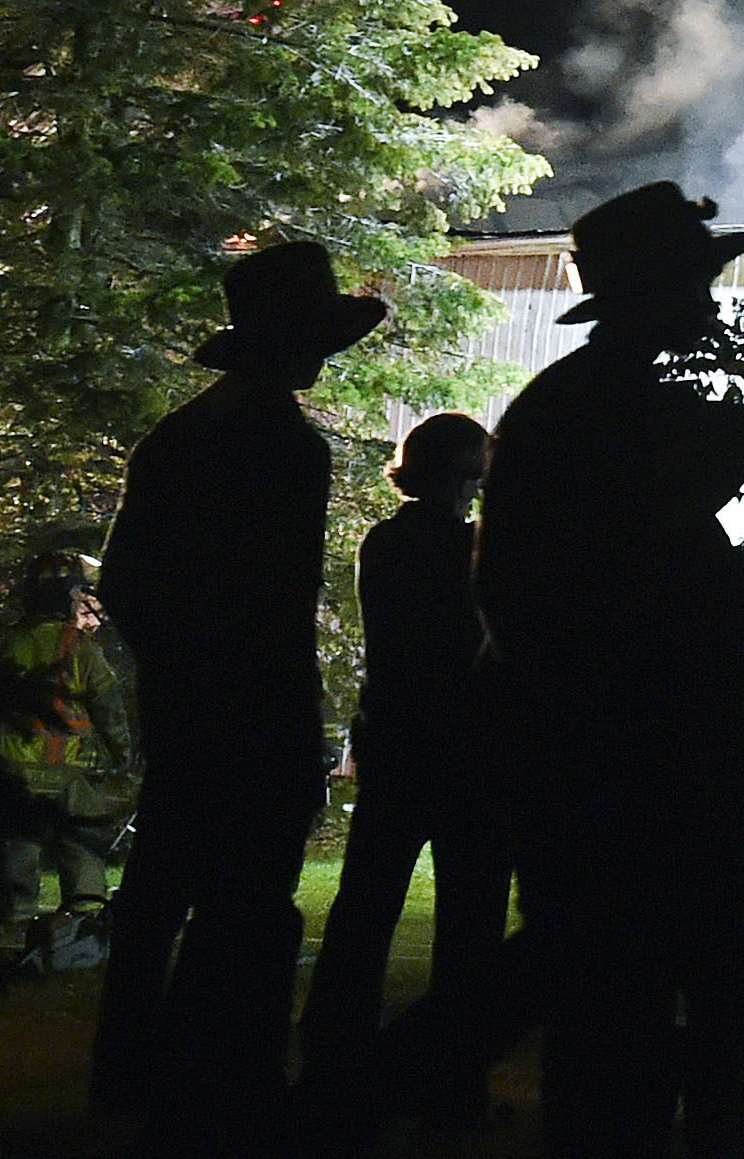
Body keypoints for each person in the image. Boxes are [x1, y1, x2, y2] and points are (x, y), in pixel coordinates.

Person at [478, 183, 744, 1159]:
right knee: (632, 973)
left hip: (609, 731)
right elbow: (632, 569)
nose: (711, 297)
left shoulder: (587, 399)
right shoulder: (620, 408)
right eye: (695, 277)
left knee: (606, 974)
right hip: (645, 739)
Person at [91, 240, 367, 1147]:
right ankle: (225, 1078)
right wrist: (276, 706)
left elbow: (127, 581)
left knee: (162, 886)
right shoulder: (286, 445)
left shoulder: (181, 436)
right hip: (254, 707)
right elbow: (276, 602)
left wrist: (178, 670)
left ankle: (132, 1071)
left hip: (187, 703)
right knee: (247, 903)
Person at [298, 416, 511, 1099]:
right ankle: (455, 1075)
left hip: (395, 736)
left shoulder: (385, 540)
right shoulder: (471, 546)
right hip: (468, 743)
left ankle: (333, 1047)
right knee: (470, 913)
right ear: (467, 469)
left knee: (367, 900)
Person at [0, 550, 135, 975]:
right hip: (66, 775)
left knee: (18, 857)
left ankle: (13, 939)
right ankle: (83, 933)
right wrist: (124, 758)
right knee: (80, 848)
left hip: (12, 774)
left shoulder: (8, 643)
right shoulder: (79, 647)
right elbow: (108, 707)